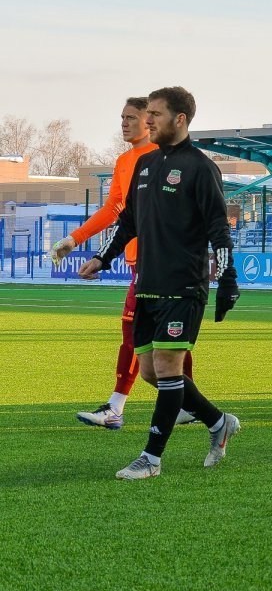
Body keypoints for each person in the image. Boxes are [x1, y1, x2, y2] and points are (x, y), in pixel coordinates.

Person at [80, 86, 241, 479]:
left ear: (180, 119)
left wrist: (227, 278)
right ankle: (219, 422)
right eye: (146, 113)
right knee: (151, 372)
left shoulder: (201, 167)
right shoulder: (146, 165)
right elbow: (129, 223)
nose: (148, 119)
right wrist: (104, 257)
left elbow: (219, 227)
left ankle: (150, 458)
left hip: (183, 285)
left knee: (169, 369)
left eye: (155, 113)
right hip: (147, 281)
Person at [54, 97, 195, 430]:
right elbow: (115, 210)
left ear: (151, 120)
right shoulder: (124, 161)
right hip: (138, 261)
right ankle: (186, 406)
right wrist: (75, 239)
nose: (124, 123)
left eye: (132, 117)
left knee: (147, 335)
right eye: (122, 117)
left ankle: (119, 407)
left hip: (162, 264)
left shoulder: (163, 159)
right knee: (162, 339)